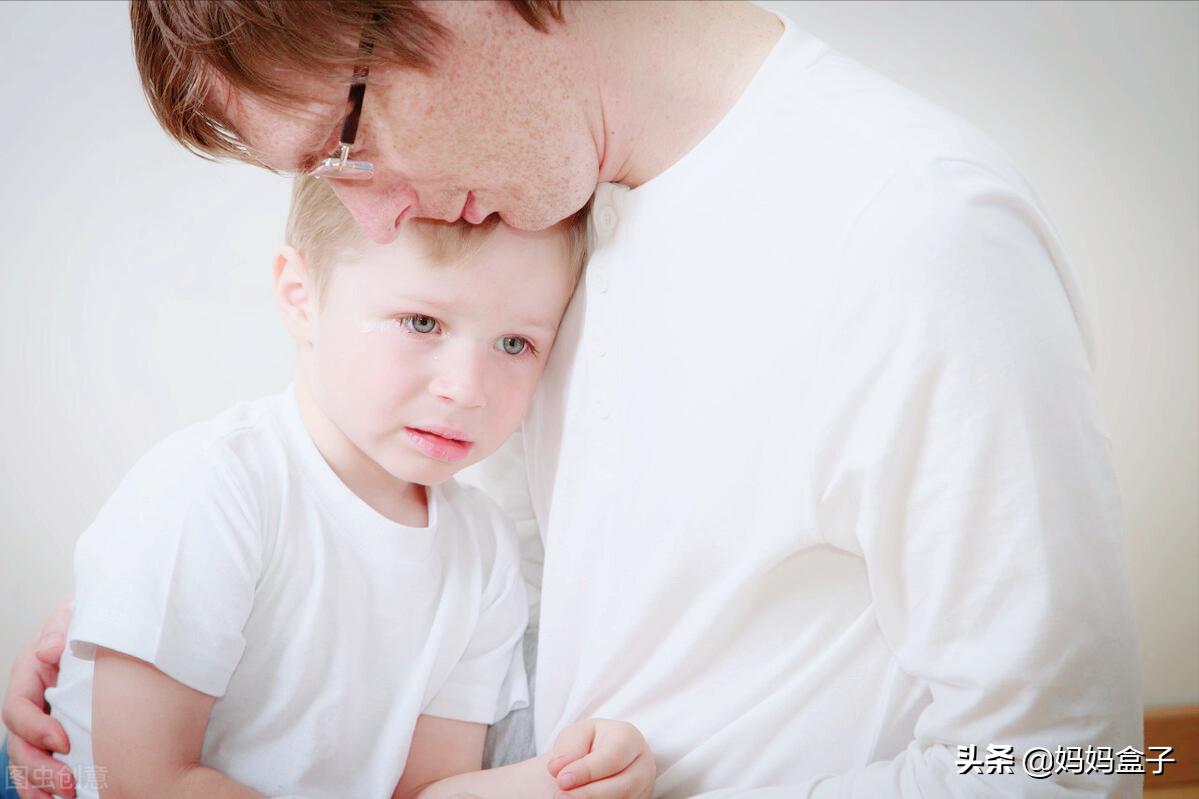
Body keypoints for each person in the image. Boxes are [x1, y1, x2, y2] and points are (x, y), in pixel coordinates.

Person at [4, 2, 1142, 797]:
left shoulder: (916, 238)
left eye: (345, 142)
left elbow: (1058, 764)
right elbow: (517, 596)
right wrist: (141, 645)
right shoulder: (548, 204)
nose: (372, 216)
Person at [2, 174, 656, 799]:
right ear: (301, 296)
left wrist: (558, 779)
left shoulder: (483, 550)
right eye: (421, 322)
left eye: (514, 343)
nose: (467, 387)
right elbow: (142, 780)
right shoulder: (216, 485)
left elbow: (425, 786)